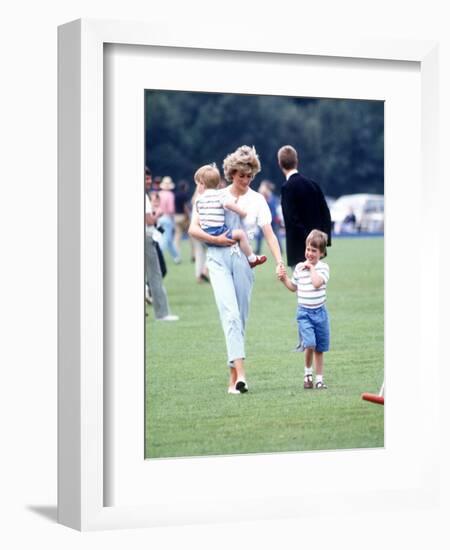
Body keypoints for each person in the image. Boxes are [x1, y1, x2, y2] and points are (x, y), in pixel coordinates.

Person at [189, 145, 285, 395]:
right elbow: (193, 229)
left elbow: (269, 234)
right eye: (241, 175)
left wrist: (279, 261)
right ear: (231, 173)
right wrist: (218, 241)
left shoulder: (258, 200)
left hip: (243, 261)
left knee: (240, 318)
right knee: (230, 315)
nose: (246, 180)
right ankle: (241, 375)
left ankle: (234, 379)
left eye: (250, 175)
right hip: (217, 259)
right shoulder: (216, 195)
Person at [278, 230, 330, 389]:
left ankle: (319, 379)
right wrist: (284, 279)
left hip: (320, 313)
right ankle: (308, 374)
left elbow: (316, 283)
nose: (310, 253)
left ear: (321, 253)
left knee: (319, 348)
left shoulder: (323, 268)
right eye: (308, 249)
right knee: (310, 344)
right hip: (304, 314)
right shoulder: (299, 268)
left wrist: (312, 268)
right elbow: (293, 287)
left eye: (314, 250)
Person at [194, 163, 267, 268]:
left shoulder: (198, 199)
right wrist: (242, 212)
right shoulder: (219, 195)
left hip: (206, 235)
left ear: (203, 184)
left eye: (197, 184)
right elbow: (228, 204)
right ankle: (252, 258)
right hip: (219, 232)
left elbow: (198, 212)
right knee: (241, 234)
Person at [277, 145, 331, 267]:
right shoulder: (313, 185)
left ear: (279, 163)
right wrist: (322, 241)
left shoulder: (287, 188)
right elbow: (325, 213)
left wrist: (308, 242)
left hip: (298, 248)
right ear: (297, 161)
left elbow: (292, 219)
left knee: (302, 285)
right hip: (317, 249)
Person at [145, 168, 179, 322]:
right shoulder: (145, 197)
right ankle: (162, 313)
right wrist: (157, 214)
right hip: (147, 236)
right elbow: (149, 221)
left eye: (149, 179)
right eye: (146, 179)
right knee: (155, 275)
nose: (149, 182)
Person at [254, 180, 283, 255]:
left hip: (273, 220)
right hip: (263, 220)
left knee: (276, 235)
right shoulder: (260, 198)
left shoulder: (272, 198)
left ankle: (280, 250)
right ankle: (257, 250)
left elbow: (274, 210)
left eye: (262, 186)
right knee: (259, 236)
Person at [158, 176, 181, 264]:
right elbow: (171, 209)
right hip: (167, 218)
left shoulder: (159, 194)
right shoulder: (170, 195)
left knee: (169, 240)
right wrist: (173, 218)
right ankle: (158, 255)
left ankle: (176, 257)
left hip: (159, 218)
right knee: (165, 239)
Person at [174, 180, 192, 259]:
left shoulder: (176, 195)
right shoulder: (184, 195)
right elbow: (185, 207)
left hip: (176, 217)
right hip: (183, 217)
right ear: (184, 187)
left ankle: (176, 255)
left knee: (177, 237)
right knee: (191, 235)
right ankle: (193, 254)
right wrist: (188, 216)